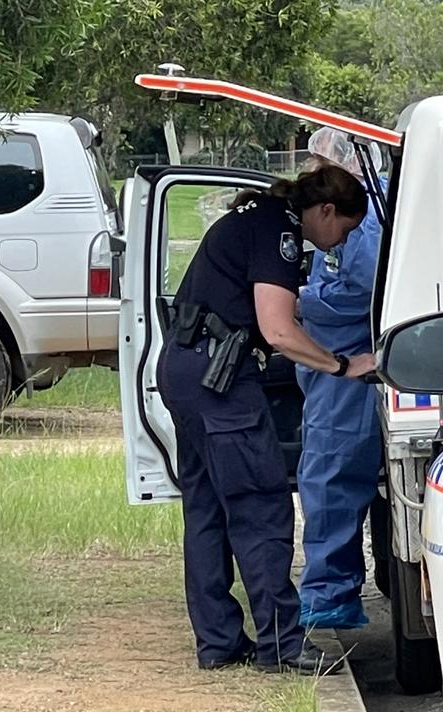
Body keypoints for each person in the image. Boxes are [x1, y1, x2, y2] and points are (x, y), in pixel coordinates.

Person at [157, 165, 376, 674]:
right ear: (324, 211)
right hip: (221, 378)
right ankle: (283, 644)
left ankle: (218, 642)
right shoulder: (279, 230)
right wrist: (343, 365)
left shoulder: (254, 217)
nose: (333, 247)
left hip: (186, 369)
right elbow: (277, 331)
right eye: (341, 232)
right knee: (260, 507)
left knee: (208, 509)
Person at [295, 127, 387, 630]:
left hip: (349, 372)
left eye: (316, 164)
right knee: (330, 481)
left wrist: (298, 303)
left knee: (331, 483)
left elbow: (370, 296)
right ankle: (331, 591)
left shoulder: (364, 222)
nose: (309, 174)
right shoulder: (358, 215)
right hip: (334, 370)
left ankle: (329, 597)